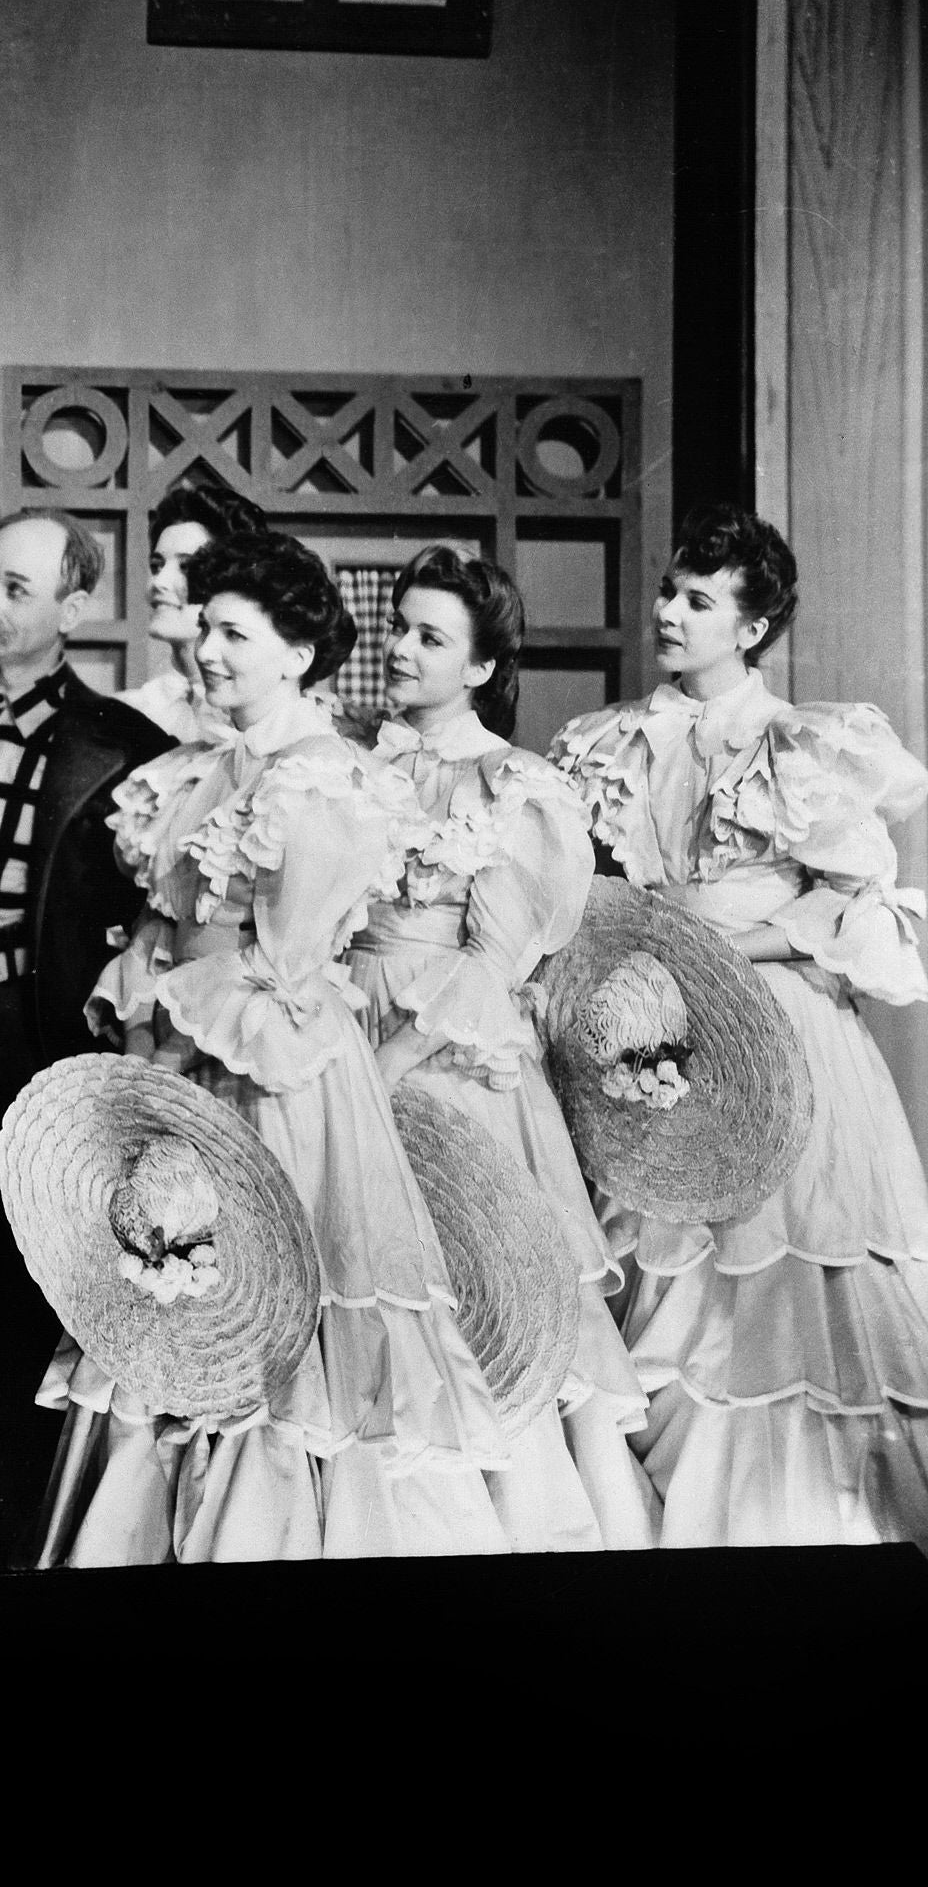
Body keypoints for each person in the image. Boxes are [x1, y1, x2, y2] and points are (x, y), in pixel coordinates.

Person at [43, 528, 514, 1562]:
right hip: (185, 1061)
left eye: (233, 634)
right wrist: (147, 1045)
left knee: (274, 1315)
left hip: (278, 1081)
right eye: (205, 629)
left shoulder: (323, 782)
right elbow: (161, 933)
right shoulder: (195, 771)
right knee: (167, 1300)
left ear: (298, 652)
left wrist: (184, 1052)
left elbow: (289, 971)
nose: (207, 651)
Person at [548, 505, 928, 1545]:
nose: (669, 611)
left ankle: (798, 1532)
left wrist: (723, 950)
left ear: (752, 628)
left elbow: (861, 905)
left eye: (700, 599)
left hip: (783, 1026)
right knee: (665, 1255)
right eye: (670, 589)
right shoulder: (608, 742)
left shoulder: (804, 746)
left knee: (785, 1267)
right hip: (652, 1020)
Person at [354, 545, 654, 1548]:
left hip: (448, 1053)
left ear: (482, 667)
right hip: (347, 1016)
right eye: (400, 625)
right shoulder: (359, 764)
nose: (401, 646)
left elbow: (499, 957)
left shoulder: (513, 784)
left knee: (473, 1287)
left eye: (429, 636)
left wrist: (390, 1062)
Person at [0, 507, 168, 1561]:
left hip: (21, 1031)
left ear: (75, 605)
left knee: (17, 1274)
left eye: (17, 587)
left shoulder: (120, 746)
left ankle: (6, 1528)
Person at [116, 478, 268, 746]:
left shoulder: (266, 716)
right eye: (156, 565)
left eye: (186, 567)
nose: (158, 582)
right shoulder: (134, 710)